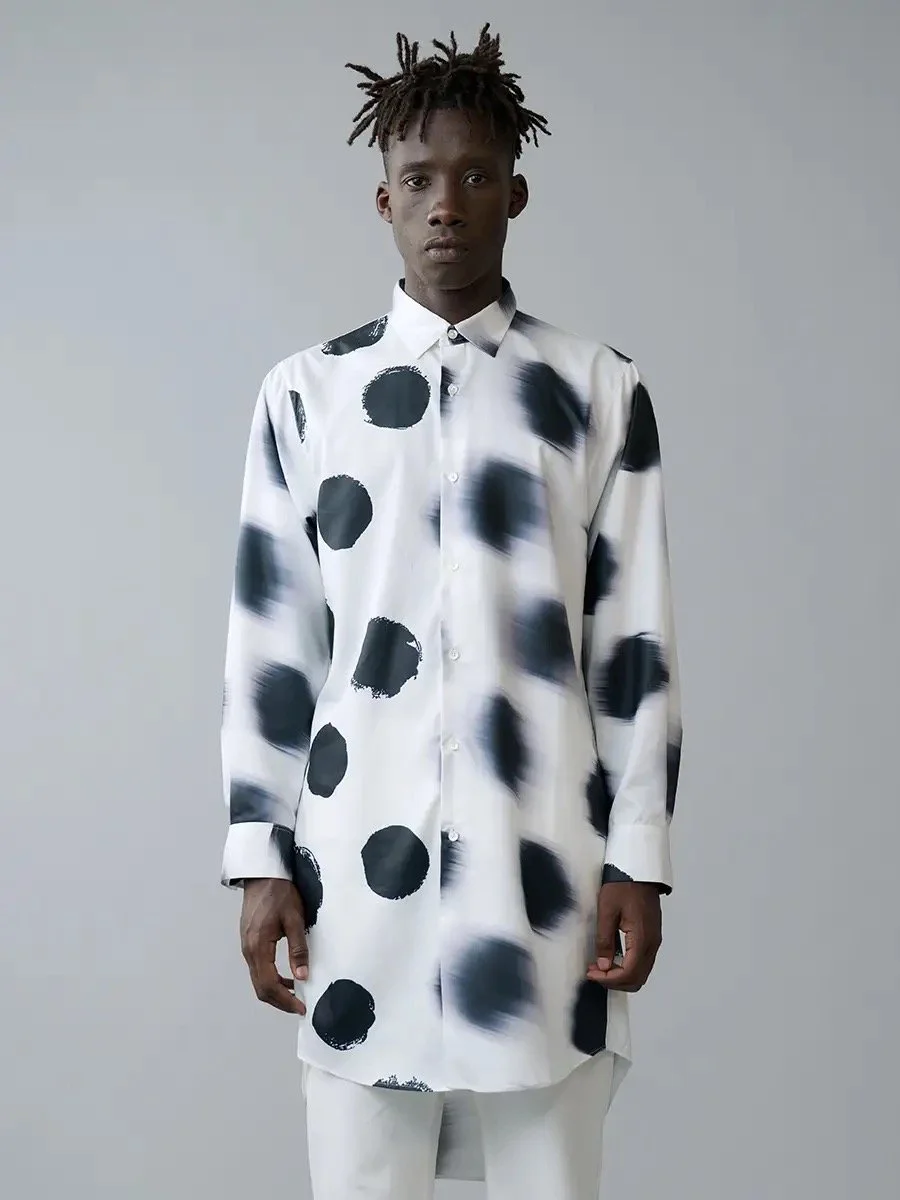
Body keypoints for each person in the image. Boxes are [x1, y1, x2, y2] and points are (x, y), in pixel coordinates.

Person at [219, 22, 683, 1200]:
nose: (447, 205)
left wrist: (639, 857)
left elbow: (633, 649)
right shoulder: (307, 397)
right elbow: (273, 649)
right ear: (383, 199)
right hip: (351, 890)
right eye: (420, 179)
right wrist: (257, 857)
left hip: (545, 881)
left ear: (515, 194)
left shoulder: (596, 391)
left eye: (476, 177)